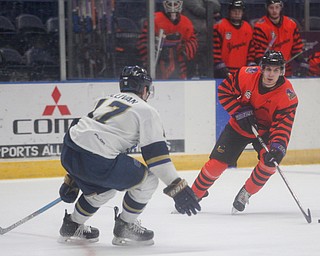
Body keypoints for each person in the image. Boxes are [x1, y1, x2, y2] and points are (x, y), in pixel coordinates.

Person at [58, 65, 200, 246]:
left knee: (104, 190)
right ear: (145, 89)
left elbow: (87, 134)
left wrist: (72, 177)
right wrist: (177, 187)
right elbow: (157, 160)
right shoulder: (146, 110)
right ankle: (125, 225)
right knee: (148, 181)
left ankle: (72, 224)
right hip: (98, 159)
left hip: (69, 151)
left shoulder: (104, 99)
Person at [191, 51, 298, 213]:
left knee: (270, 163)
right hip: (238, 126)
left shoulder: (288, 96)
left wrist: (277, 147)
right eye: (268, 69)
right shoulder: (245, 74)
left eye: (276, 70)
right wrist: (239, 111)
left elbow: (283, 126)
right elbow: (224, 91)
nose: (271, 74)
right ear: (261, 68)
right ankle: (194, 195)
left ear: (282, 71)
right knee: (216, 165)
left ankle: (246, 192)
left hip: (265, 131)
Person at [137, 0, 198, 79]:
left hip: (179, 62)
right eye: (170, 3)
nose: (173, 6)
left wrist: (183, 51)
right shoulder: (154, 18)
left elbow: (192, 41)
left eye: (175, 3)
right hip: (159, 62)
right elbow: (143, 41)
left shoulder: (186, 21)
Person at [253, 0, 308, 77]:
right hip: (268, 71)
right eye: (271, 8)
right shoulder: (260, 26)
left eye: (277, 7)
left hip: (286, 70)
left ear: (281, 8)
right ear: (267, 8)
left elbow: (297, 47)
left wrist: (302, 62)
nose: (274, 10)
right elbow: (259, 52)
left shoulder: (291, 24)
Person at [212, 0, 255, 78]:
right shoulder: (220, 26)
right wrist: (220, 67)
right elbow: (215, 50)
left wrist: (250, 66)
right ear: (229, 12)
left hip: (242, 72)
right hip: (223, 71)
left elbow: (251, 51)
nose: (237, 13)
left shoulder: (248, 28)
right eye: (234, 10)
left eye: (239, 11)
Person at [182, 0, 221, 78]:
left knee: (205, 64)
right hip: (194, 37)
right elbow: (199, 11)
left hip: (207, 36)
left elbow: (217, 7)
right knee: (192, 62)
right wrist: (213, 14)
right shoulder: (189, 1)